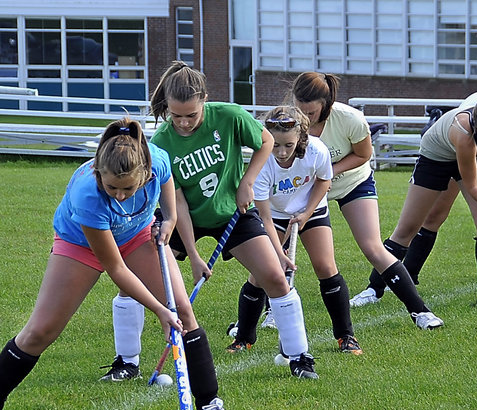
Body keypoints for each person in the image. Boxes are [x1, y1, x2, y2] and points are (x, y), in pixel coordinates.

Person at [0, 119, 234, 410]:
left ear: (145, 174)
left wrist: (170, 220)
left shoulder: (157, 159)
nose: (121, 196)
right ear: (98, 175)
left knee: (182, 308)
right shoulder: (88, 195)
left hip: (136, 234)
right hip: (80, 244)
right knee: (40, 331)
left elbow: (167, 183)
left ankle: (210, 405)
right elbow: (117, 269)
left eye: (129, 188)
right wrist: (158, 310)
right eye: (112, 188)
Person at [103, 61, 318, 380]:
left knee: (275, 275)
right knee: (132, 282)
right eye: (176, 115)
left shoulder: (228, 115)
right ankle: (126, 362)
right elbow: (176, 203)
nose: (184, 122)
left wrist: (247, 181)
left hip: (231, 211)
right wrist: (192, 255)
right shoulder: (161, 142)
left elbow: (266, 142)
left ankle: (299, 356)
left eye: (191, 114)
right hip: (179, 219)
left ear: (204, 99)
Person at [349, 78, 477, 303]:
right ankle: (374, 289)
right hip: (435, 157)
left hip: (472, 159)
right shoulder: (465, 133)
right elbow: (472, 186)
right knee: (408, 227)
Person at [291, 72, 443, 328]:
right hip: (306, 189)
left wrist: (330, 173)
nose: (304, 118)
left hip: (352, 182)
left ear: (325, 104)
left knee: (373, 247)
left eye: (311, 113)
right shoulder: (288, 120)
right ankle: (265, 314)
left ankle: (420, 312)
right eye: (300, 110)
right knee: (279, 248)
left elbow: (363, 155)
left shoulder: (350, 118)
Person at [251, 106, 363, 354]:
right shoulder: (261, 160)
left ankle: (346, 336)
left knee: (326, 267)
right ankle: (244, 338)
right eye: (275, 145)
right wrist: (278, 254)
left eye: (288, 145)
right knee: (261, 273)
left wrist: (306, 214)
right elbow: (264, 217)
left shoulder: (316, 150)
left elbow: (324, 180)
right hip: (275, 214)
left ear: (301, 138)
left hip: (310, 208)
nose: (281, 152)